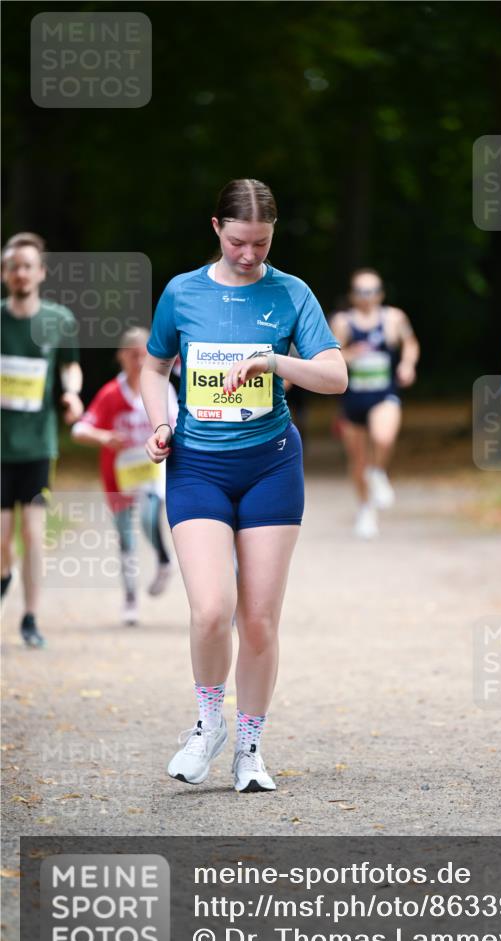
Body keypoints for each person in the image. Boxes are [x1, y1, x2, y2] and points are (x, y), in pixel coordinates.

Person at [141, 178, 347, 792]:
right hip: (198, 466)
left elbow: (335, 376)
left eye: (260, 242)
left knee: (258, 621)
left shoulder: (292, 293)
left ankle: (251, 746)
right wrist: (161, 421)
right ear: (215, 229)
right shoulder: (182, 293)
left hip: (270, 466)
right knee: (211, 610)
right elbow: (154, 369)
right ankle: (208, 724)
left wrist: (275, 362)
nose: (249, 254)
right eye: (237, 242)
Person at [1, 232, 83, 647]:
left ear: (41, 273)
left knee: (33, 532)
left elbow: (70, 367)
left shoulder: (58, 320)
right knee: (1, 539)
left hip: (37, 445)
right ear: (5, 274)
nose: (20, 273)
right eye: (13, 266)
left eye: (28, 266)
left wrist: (71, 394)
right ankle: (4, 573)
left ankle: (30, 617)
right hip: (1, 446)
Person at [71, 327, 177, 625]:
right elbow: (79, 429)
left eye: (144, 354)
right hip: (119, 476)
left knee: (148, 517)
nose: (138, 360)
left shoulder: (160, 389)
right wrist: (104, 437)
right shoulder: (110, 394)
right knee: (126, 538)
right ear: (121, 357)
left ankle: (164, 559)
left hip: (152, 469)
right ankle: (130, 598)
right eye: (132, 354)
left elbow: (176, 423)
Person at [330, 269, 419, 539]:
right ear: (352, 295)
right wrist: (349, 355)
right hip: (354, 398)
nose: (366, 297)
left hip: (384, 394)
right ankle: (366, 509)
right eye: (360, 291)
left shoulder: (393, 318)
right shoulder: (343, 322)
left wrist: (407, 364)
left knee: (383, 437)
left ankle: (378, 471)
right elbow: (330, 355)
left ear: (380, 293)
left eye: (371, 291)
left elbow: (411, 344)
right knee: (356, 460)